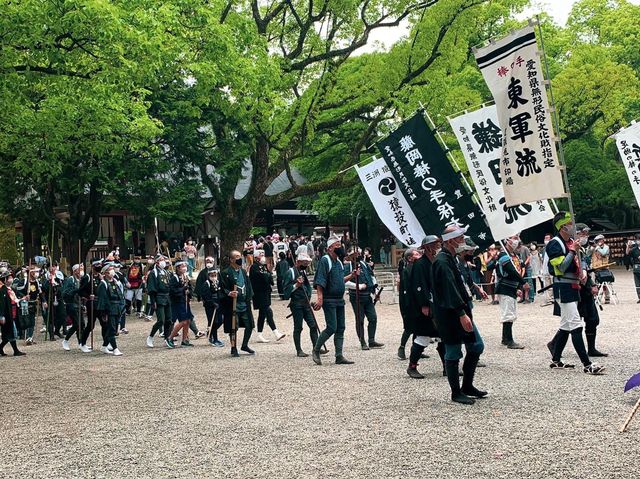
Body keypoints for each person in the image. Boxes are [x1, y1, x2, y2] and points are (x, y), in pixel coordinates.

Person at [431, 225, 486, 405]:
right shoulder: (442, 261)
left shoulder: (452, 258)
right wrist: (461, 313)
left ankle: (467, 385)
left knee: (476, 346)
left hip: (460, 308)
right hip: (450, 313)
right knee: (453, 350)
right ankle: (456, 392)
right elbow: (449, 289)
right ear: (451, 239)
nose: (463, 239)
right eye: (460, 236)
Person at [545, 211, 604, 375]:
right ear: (563, 226)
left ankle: (556, 360)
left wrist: (583, 273)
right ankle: (587, 364)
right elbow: (562, 267)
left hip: (574, 286)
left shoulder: (572, 241)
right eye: (570, 223)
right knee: (576, 325)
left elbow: (579, 263)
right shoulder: (554, 244)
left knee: (565, 326)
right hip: (563, 288)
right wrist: (572, 251)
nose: (573, 226)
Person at [406, 236, 446, 379]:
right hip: (424, 305)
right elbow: (419, 285)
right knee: (423, 336)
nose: (437, 246)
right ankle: (412, 366)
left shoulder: (435, 261)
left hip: (436, 304)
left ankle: (447, 366)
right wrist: (424, 304)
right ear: (427, 246)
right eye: (434, 244)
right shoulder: (420, 264)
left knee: (442, 336)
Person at [311, 234, 353, 365]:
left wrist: (352, 275)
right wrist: (320, 298)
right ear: (330, 248)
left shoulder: (339, 262)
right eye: (337, 246)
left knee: (341, 327)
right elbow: (320, 281)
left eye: (340, 245)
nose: (340, 248)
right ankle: (316, 350)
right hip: (329, 299)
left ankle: (339, 355)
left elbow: (340, 280)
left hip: (339, 299)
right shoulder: (325, 260)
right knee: (332, 327)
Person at [575, 224, 607, 357]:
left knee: (592, 318)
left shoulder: (582, 249)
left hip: (585, 286)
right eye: (583, 233)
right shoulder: (572, 248)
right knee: (571, 322)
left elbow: (586, 269)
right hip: (576, 289)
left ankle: (591, 348)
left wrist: (591, 283)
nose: (585, 236)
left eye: (587, 234)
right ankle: (555, 344)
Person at [343, 246, 383, 351]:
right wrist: (358, 286)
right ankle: (362, 341)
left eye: (359, 253)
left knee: (373, 318)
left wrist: (375, 291)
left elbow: (372, 276)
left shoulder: (365, 264)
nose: (358, 255)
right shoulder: (348, 266)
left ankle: (371, 340)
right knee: (360, 319)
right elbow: (344, 281)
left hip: (367, 295)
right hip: (356, 296)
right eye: (355, 254)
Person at [283, 252, 321, 357]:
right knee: (298, 327)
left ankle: (316, 347)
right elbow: (285, 291)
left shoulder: (303, 272)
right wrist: (296, 285)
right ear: (298, 262)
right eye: (304, 262)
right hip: (296, 304)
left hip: (306, 304)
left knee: (313, 326)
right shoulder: (290, 272)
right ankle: (298, 350)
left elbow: (307, 288)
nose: (306, 265)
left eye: (307, 263)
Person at [221, 250, 255, 357]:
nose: (239, 258)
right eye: (236, 257)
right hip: (233, 304)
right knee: (233, 327)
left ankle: (244, 345)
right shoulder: (225, 273)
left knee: (249, 325)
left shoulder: (243, 272)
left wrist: (249, 297)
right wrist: (229, 293)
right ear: (231, 260)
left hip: (244, 303)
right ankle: (233, 347)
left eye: (240, 256)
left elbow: (248, 285)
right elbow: (222, 289)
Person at [495, 235, 528, 350]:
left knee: (511, 313)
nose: (516, 240)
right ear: (506, 240)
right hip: (505, 287)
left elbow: (517, 270)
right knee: (508, 314)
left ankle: (505, 338)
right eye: (513, 237)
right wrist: (523, 282)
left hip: (511, 287)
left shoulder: (514, 255)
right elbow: (511, 270)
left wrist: (518, 287)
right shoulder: (503, 255)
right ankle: (509, 340)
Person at [250, 250, 285, 343]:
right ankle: (276, 332)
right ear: (256, 257)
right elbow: (260, 277)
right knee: (268, 311)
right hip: (259, 293)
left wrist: (267, 275)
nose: (263, 256)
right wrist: (266, 275)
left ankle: (259, 334)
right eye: (261, 255)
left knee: (262, 314)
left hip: (266, 292)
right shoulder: (254, 267)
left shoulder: (263, 266)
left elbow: (269, 276)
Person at [77, 260, 105, 353]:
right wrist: (88, 296)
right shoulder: (87, 277)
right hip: (92, 303)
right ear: (93, 267)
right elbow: (80, 291)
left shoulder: (101, 277)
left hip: (100, 303)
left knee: (104, 323)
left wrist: (102, 280)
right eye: (97, 265)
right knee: (90, 325)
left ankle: (105, 344)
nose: (99, 267)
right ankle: (82, 343)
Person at [145, 254, 173, 348]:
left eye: (164, 260)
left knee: (169, 320)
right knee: (161, 320)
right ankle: (150, 336)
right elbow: (151, 289)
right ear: (157, 262)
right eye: (161, 260)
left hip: (167, 297)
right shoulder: (153, 273)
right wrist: (153, 302)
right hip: (158, 297)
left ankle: (167, 338)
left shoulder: (166, 272)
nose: (163, 262)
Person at [96, 263, 123, 356]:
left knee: (114, 328)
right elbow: (103, 299)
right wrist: (104, 313)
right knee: (111, 329)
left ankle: (104, 346)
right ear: (106, 273)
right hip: (109, 309)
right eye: (110, 270)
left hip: (116, 307)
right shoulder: (103, 284)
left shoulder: (115, 281)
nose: (112, 271)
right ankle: (115, 348)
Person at [397, 248, 419, 361]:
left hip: (418, 301)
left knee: (419, 327)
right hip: (409, 302)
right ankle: (401, 347)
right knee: (409, 327)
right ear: (410, 258)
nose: (419, 255)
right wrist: (407, 305)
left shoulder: (419, 268)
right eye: (416, 254)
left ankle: (416, 348)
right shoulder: (407, 270)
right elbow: (406, 289)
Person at [166, 261, 194, 348]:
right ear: (178, 268)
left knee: (188, 320)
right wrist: (182, 289)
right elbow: (172, 291)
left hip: (185, 301)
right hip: (177, 302)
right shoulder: (174, 278)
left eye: (185, 266)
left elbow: (189, 288)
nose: (185, 268)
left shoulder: (185, 277)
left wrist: (189, 292)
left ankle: (184, 340)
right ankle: (170, 338)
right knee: (183, 321)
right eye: (182, 266)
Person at [13, 266, 42, 345]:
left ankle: (30, 337)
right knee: (26, 321)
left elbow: (40, 292)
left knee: (32, 321)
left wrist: (42, 300)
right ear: (31, 272)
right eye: (35, 271)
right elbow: (17, 291)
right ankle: (25, 336)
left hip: (33, 303)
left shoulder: (37, 282)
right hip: (25, 304)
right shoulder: (23, 281)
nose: (36, 273)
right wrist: (24, 297)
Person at [0, 270, 26, 356]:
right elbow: (2, 304)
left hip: (13, 312)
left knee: (8, 333)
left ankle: (0, 348)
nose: (11, 279)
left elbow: (15, 299)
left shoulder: (11, 289)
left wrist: (23, 298)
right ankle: (15, 350)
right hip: (7, 314)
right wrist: (1, 315)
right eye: (9, 278)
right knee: (11, 332)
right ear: (5, 279)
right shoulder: (2, 290)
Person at [61, 264, 85, 351]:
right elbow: (65, 293)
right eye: (80, 269)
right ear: (75, 271)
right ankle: (66, 340)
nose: (81, 271)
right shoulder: (70, 280)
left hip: (79, 304)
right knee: (76, 324)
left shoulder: (81, 280)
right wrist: (76, 291)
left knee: (82, 324)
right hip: (71, 304)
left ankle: (81, 342)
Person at [42, 262, 66, 340]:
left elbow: (63, 285)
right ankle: (51, 334)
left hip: (59, 298)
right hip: (49, 298)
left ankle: (57, 330)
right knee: (50, 317)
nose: (53, 268)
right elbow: (43, 289)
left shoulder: (59, 275)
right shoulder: (45, 276)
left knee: (62, 315)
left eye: (54, 266)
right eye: (51, 266)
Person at [201, 269, 224, 347]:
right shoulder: (206, 284)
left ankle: (210, 332)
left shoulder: (217, 282)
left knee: (221, 320)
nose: (214, 277)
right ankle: (215, 339)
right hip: (210, 306)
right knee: (214, 322)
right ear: (209, 276)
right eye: (212, 275)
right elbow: (205, 296)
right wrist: (212, 303)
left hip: (218, 304)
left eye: (215, 275)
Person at [591, 234, 611, 303]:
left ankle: (607, 297)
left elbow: (603, 253)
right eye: (596, 241)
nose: (597, 242)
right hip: (595, 268)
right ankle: (596, 297)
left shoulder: (606, 247)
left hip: (604, 267)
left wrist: (597, 247)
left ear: (602, 240)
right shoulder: (595, 248)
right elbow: (587, 254)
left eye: (599, 240)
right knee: (595, 283)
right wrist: (590, 248)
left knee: (605, 283)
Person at [626, 233, 640, 303]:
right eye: (637, 240)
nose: (638, 241)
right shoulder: (634, 249)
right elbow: (627, 253)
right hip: (637, 267)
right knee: (637, 284)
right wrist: (628, 246)